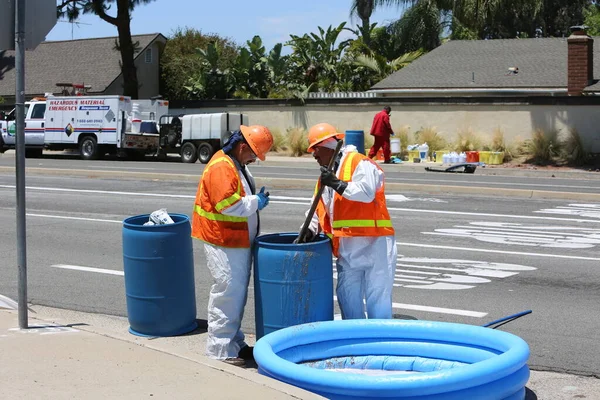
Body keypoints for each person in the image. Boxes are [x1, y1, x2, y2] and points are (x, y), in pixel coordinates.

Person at [191, 125, 273, 366]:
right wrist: (255, 202)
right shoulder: (221, 166)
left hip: (233, 241)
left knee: (235, 295)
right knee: (227, 293)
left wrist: (253, 201)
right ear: (242, 147)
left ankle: (233, 343)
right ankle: (220, 348)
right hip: (223, 240)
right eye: (254, 154)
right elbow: (228, 205)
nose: (255, 160)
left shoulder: (235, 165)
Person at [302, 122, 397, 320]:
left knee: (377, 296)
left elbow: (366, 192)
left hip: (375, 244)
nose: (314, 156)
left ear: (327, 147)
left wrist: (337, 184)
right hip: (347, 246)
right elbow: (319, 207)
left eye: (316, 151)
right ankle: (355, 341)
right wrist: (309, 229)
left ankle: (381, 342)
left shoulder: (359, 162)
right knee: (347, 296)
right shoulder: (326, 177)